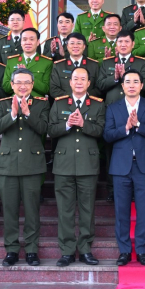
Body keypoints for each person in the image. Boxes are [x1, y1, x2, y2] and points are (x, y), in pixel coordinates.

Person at [48, 68, 106, 267]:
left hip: (88, 165)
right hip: (63, 164)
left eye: (83, 78)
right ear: (70, 82)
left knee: (87, 209)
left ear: (89, 83)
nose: (79, 82)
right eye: (76, 79)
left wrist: (83, 124)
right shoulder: (59, 103)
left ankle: (85, 249)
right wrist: (66, 124)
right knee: (65, 209)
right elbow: (50, 130)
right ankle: (67, 251)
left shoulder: (98, 104)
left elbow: (101, 131)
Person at [0, 68, 49, 267]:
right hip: (7, 165)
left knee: (32, 211)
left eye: (27, 82)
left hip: (32, 164)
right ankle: (11, 250)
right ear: (13, 84)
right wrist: (13, 114)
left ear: (32, 85)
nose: (23, 86)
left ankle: (32, 250)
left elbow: (44, 129)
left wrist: (27, 114)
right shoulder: (2, 103)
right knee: (9, 211)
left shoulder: (42, 104)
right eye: (18, 82)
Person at [104, 69, 145, 267]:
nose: (131, 85)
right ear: (122, 85)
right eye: (128, 81)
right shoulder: (112, 108)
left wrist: (138, 125)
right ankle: (125, 251)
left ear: (142, 85)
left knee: (144, 211)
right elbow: (107, 136)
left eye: (136, 81)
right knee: (121, 211)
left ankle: (142, 251)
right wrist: (126, 128)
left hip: (143, 166)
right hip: (120, 167)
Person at [95, 30, 145, 201]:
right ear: (115, 44)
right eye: (120, 42)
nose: (123, 45)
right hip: (113, 111)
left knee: (137, 148)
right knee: (113, 150)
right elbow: (99, 85)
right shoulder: (107, 63)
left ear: (133, 44)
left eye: (127, 42)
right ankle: (113, 189)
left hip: (135, 110)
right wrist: (116, 78)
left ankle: (135, 187)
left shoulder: (140, 62)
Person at [3, 28, 53, 97]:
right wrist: (18, 78)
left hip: (37, 103)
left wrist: (28, 75)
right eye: (24, 39)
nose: (28, 42)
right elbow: (6, 88)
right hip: (15, 102)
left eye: (32, 39)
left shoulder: (47, 62)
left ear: (38, 42)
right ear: (21, 42)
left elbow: (46, 89)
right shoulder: (12, 61)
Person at [50, 32, 100, 98]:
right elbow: (54, 89)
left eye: (79, 43)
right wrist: (74, 97)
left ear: (84, 46)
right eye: (72, 43)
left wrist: (85, 96)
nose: (75, 46)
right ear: (67, 46)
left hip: (89, 104)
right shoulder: (58, 66)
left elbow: (99, 88)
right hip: (65, 104)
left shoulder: (94, 65)